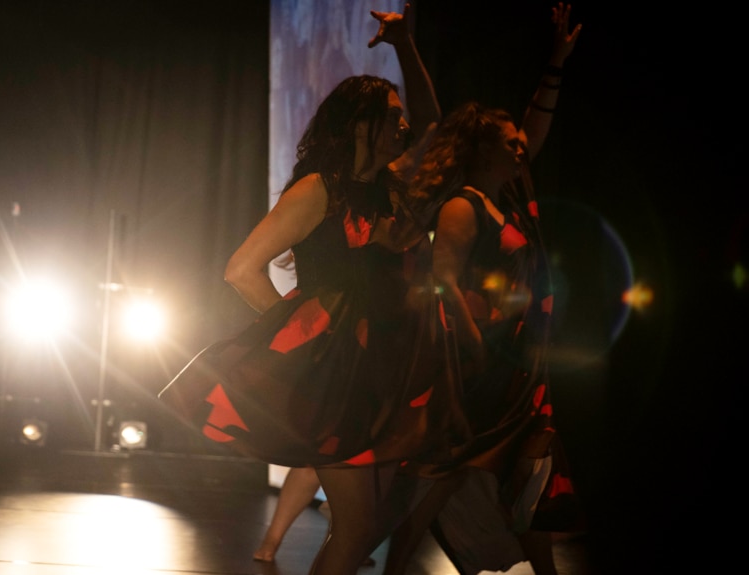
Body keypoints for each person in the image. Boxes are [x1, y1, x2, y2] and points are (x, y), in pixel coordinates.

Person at [158, 5, 452, 574]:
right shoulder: (320, 189)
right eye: (391, 115)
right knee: (358, 525)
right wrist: (306, 343)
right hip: (338, 378)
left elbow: (435, 125)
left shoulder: (389, 188)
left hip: (383, 368)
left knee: (369, 522)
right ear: (360, 122)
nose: (403, 125)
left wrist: (406, 47)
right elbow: (241, 269)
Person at [381, 4, 583, 574]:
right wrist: (472, 346)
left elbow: (536, 122)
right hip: (483, 361)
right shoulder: (463, 207)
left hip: (518, 359)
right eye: (510, 141)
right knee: (454, 473)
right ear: (483, 148)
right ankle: (397, 564)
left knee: (527, 472)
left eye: (522, 142)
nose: (521, 146)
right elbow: (441, 283)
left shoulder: (510, 196)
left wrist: (557, 61)